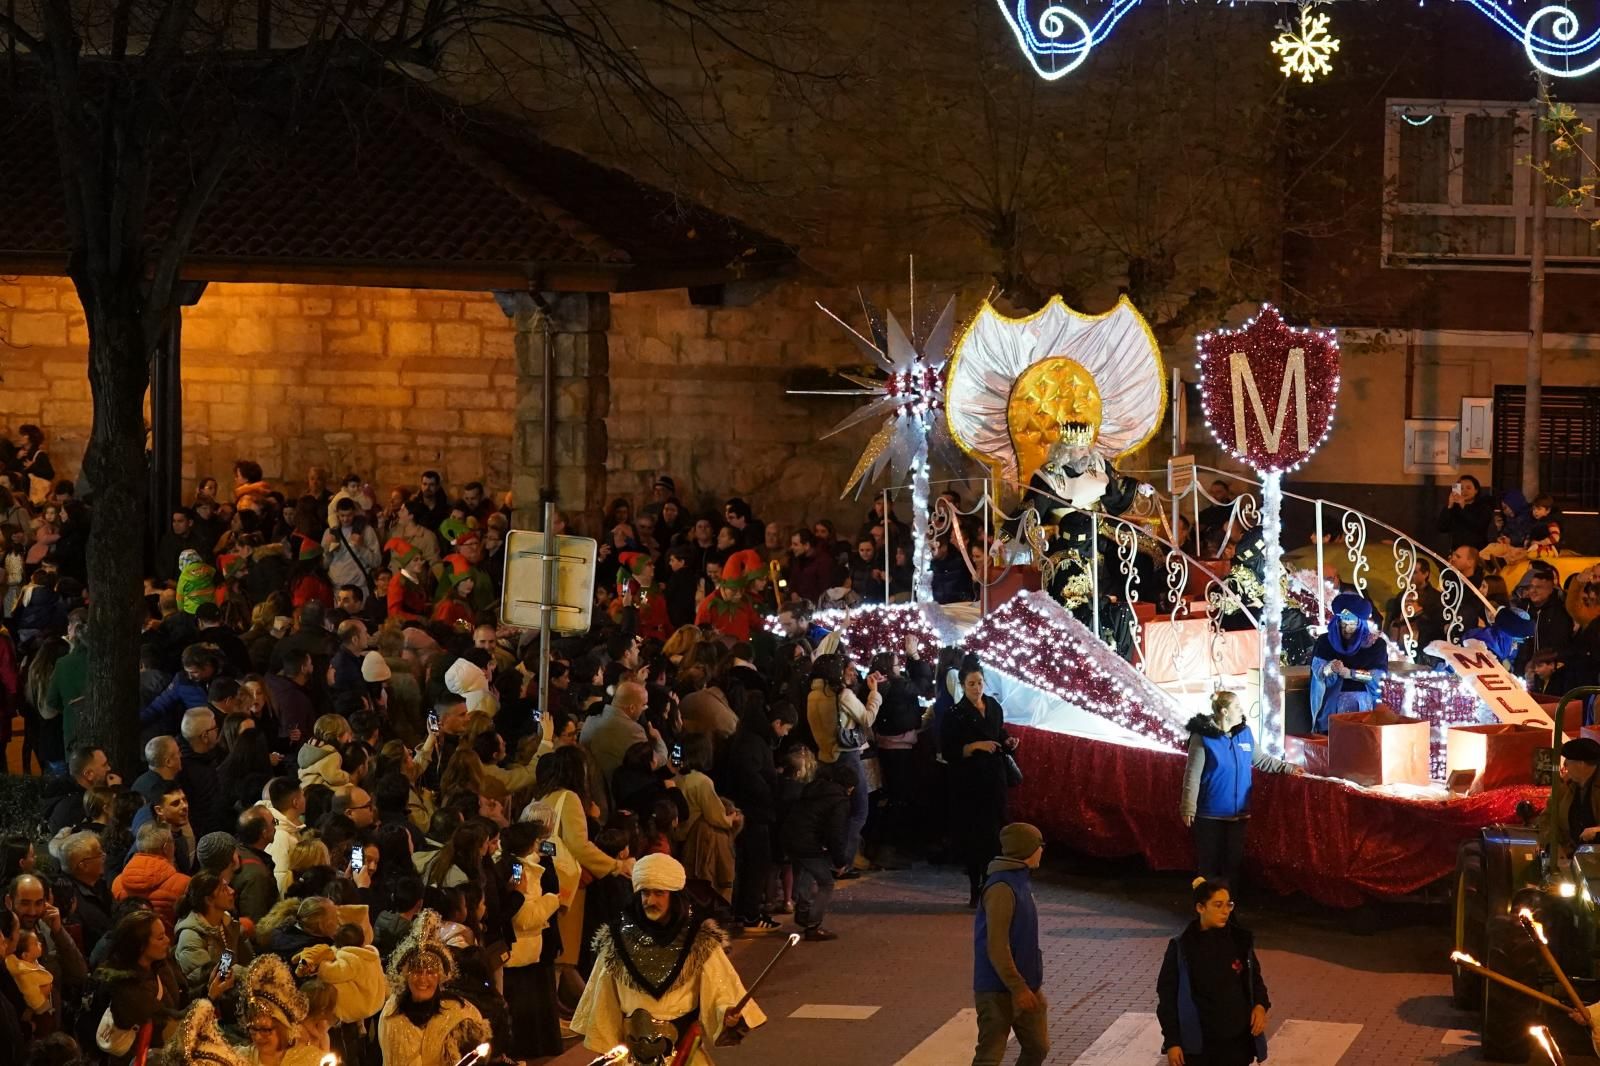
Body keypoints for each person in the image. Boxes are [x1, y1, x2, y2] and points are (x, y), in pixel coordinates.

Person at [572, 853, 765, 1064]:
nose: (650, 900)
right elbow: (604, 1001)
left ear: (674, 896)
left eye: (659, 893)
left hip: (683, 1056)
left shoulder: (698, 942)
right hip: (630, 1058)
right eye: (645, 893)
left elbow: (722, 991)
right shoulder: (616, 942)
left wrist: (727, 1013)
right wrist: (607, 1048)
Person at [1180, 692, 1302, 888]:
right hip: (1209, 815)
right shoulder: (1202, 738)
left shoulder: (1245, 733)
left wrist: (1287, 768)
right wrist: (1188, 807)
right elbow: (1192, 775)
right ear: (1224, 711)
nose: (1241, 711)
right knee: (1208, 867)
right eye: (1237, 707)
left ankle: (1228, 911)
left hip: (1238, 816)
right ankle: (1205, 912)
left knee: (1232, 867)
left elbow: (1261, 760)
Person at [1157, 878, 1271, 1066]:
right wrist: (1173, 1042)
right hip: (1200, 1045)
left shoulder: (1240, 940)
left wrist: (1260, 1005)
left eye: (1229, 905)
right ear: (1200, 908)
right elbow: (1167, 997)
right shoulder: (1182, 948)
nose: (1225, 911)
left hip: (1237, 1042)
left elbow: (1254, 979)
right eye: (1218, 905)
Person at [971, 822, 1049, 1066]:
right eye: (1040, 845)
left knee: (1037, 1047)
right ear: (1027, 849)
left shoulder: (1019, 881)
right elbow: (997, 945)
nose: (1042, 850)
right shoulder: (1003, 887)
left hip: (1026, 984)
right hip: (998, 989)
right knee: (990, 1056)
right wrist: (1019, 988)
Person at [941, 661, 1017, 907]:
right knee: (975, 835)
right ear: (962, 686)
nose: (976, 688)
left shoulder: (993, 706)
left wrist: (1008, 741)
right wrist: (974, 746)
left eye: (980, 683)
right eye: (971, 684)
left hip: (994, 778)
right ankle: (975, 886)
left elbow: (999, 732)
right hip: (969, 782)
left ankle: (992, 882)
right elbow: (948, 750)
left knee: (996, 833)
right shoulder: (955, 714)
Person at [377, 910, 490, 1065]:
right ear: (406, 975)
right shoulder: (391, 1015)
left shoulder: (461, 1017)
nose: (423, 979)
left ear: (440, 976)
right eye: (416, 971)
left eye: (430, 972)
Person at [805, 653, 880, 878]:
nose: (852, 673)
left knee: (835, 811)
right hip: (846, 757)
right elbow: (867, 719)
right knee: (859, 810)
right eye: (847, 669)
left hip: (824, 758)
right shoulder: (843, 695)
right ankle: (842, 863)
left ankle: (831, 859)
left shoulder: (813, 695)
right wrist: (875, 695)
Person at [1308, 594, 1387, 734]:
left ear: (1360, 624)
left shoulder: (1375, 645)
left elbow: (1378, 678)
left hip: (1364, 708)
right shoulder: (1325, 642)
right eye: (1342, 624)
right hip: (1332, 708)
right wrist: (1330, 668)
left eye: (1351, 625)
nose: (1346, 629)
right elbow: (1318, 673)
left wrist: (1351, 674)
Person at [1541, 737, 1600, 857]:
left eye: (1568, 762)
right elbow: (1547, 818)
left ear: (1581, 764)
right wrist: (1552, 845)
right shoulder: (1565, 785)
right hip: (1571, 858)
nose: (1565, 766)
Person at [1438, 474, 1492, 551]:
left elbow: (1478, 526)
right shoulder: (1454, 507)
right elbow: (1442, 527)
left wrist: (1463, 506)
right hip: (1457, 551)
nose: (1464, 491)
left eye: (1468, 488)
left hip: (1476, 551)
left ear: (1476, 490)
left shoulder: (1483, 508)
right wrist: (1449, 506)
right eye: (1461, 488)